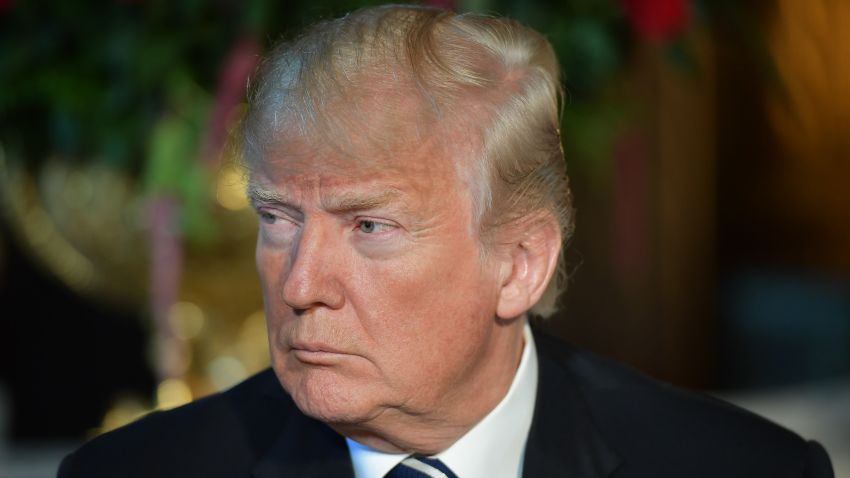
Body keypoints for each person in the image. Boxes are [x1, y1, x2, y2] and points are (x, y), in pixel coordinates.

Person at [58, 5, 834, 478]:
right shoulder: (137, 473)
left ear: (520, 264)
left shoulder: (740, 470)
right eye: (278, 220)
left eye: (369, 227)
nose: (299, 286)